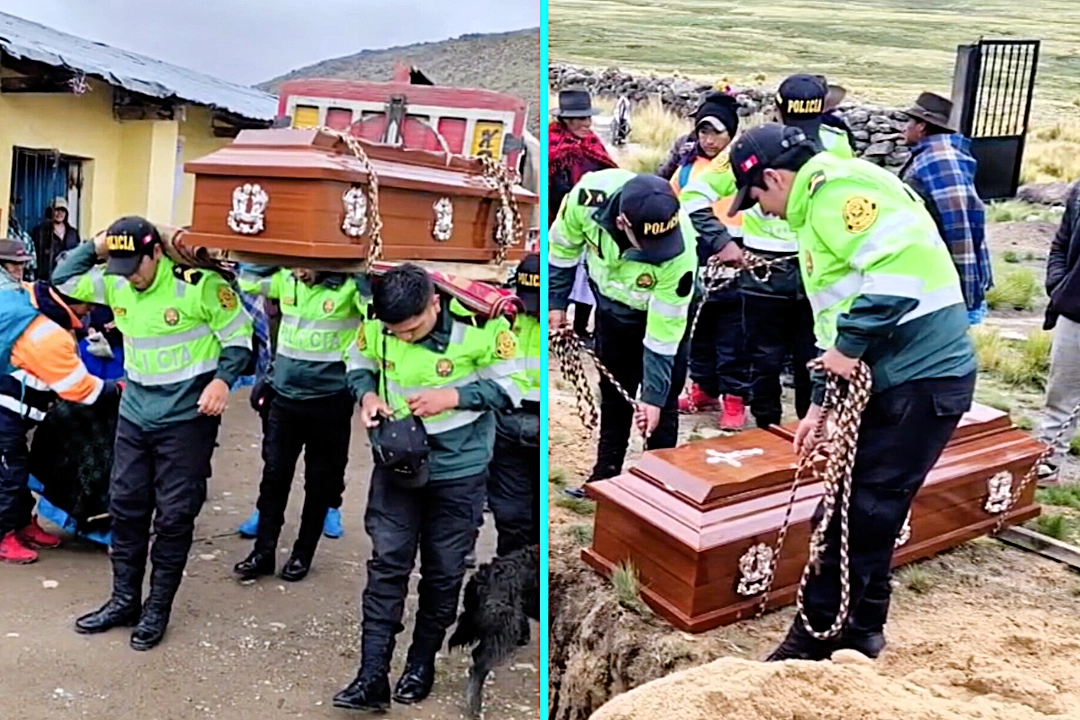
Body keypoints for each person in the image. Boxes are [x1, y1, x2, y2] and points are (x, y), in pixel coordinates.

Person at [725, 123, 976, 661]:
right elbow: (832, 324)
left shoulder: (836, 193)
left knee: (860, 512)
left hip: (921, 378)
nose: (759, 212)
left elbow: (898, 270)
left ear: (773, 177)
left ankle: (811, 642)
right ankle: (862, 628)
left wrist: (850, 347)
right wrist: (820, 405)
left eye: (757, 198)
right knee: (857, 509)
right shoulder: (819, 207)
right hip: (897, 378)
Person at [54, 216, 253, 651]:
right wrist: (98, 244)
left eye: (137, 267)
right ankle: (124, 600)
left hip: (186, 417)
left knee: (175, 515)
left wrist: (223, 381)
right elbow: (63, 276)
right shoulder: (117, 281)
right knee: (125, 507)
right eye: (120, 266)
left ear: (157, 253)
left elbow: (240, 337)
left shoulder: (197, 285)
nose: (131, 278)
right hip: (136, 412)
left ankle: (157, 608)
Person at [333, 264, 518, 711]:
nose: (406, 338)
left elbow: (513, 391)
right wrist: (367, 396)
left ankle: (421, 663)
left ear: (435, 303)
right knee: (387, 566)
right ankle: (371, 675)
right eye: (397, 332)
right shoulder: (379, 326)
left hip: (458, 470)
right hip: (397, 466)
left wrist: (454, 397)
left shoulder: (482, 327)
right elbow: (356, 364)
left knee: (442, 572)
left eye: (413, 329)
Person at [549, 170, 698, 497]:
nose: (657, 251)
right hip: (611, 311)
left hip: (660, 316)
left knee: (664, 400)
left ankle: (658, 486)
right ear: (622, 223)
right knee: (615, 392)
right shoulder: (585, 199)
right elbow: (561, 250)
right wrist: (555, 303)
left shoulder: (679, 250)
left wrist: (653, 398)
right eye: (649, 243)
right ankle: (604, 478)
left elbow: (663, 337)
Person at [232, 266, 368, 582]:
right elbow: (248, 281)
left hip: (330, 402)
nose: (299, 271)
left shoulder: (349, 290)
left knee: (320, 483)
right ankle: (263, 553)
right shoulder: (285, 279)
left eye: (305, 264)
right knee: (274, 477)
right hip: (285, 400)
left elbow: (374, 305)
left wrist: (357, 270)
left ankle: (302, 555)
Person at [740, 73, 854, 430]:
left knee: (812, 351)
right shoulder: (757, 145)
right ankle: (768, 428)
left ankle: (810, 425)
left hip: (813, 263)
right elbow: (705, 192)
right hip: (765, 266)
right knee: (767, 357)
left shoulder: (835, 142)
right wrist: (722, 241)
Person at [0, 241, 118, 564]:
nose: (91, 311)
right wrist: (116, 388)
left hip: (17, 408)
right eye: (88, 305)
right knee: (10, 475)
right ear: (70, 300)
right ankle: (3, 535)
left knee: (17, 470)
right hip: (6, 410)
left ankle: (23, 523)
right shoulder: (47, 334)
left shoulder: (31, 298)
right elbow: (81, 390)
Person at [668, 91, 752, 429]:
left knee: (733, 332)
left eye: (717, 132)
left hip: (736, 253)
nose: (709, 139)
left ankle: (735, 398)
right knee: (698, 327)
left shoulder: (743, 166)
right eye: (703, 131)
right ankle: (703, 387)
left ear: (731, 133)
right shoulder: (686, 169)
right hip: (696, 254)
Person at [900, 92, 992, 325]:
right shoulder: (929, 155)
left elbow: (958, 223)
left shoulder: (941, 160)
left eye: (908, 122)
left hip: (941, 270)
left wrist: (964, 287)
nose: (904, 128)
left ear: (921, 126)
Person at [549, 87, 619, 343]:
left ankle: (580, 328)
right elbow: (551, 189)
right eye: (580, 118)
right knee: (560, 271)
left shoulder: (592, 144)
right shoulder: (553, 145)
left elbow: (609, 176)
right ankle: (555, 323)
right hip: (559, 220)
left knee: (590, 274)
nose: (587, 124)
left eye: (588, 118)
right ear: (566, 120)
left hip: (592, 222)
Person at [486, 253, 542, 556]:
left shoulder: (562, 325)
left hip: (545, 428)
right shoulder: (501, 318)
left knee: (539, 519)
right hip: (508, 425)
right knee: (511, 517)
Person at [1038, 180, 1080, 485]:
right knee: (1061, 392)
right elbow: (1061, 242)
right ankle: (1048, 461)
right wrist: (1059, 286)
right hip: (1075, 308)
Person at [31, 197, 80, 282]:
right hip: (46, 278)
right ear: (50, 211)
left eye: (63, 210)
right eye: (57, 210)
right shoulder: (40, 231)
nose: (60, 213)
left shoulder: (73, 233)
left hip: (68, 278)